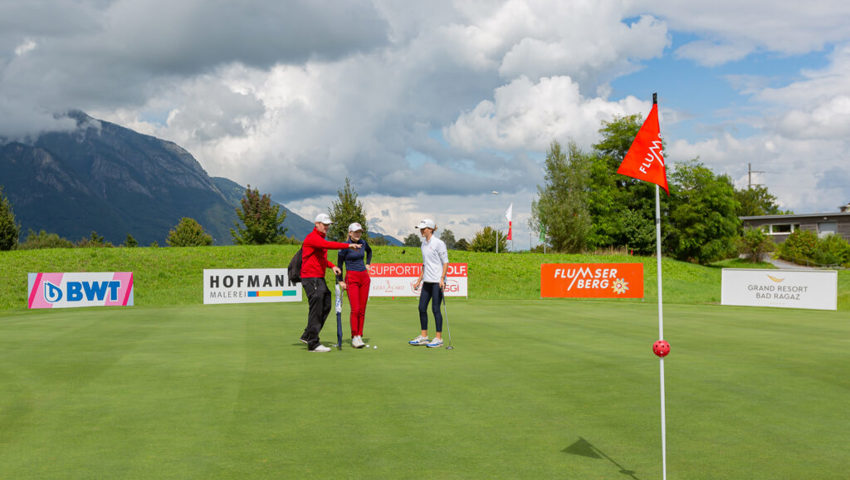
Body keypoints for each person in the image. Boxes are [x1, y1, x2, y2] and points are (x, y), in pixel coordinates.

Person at [299, 213, 362, 352]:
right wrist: (348, 246)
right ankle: (313, 343)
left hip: (317, 277)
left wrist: (332, 265)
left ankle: (308, 335)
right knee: (317, 308)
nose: (327, 227)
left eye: (328, 224)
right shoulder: (313, 238)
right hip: (311, 278)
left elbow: (320, 259)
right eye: (324, 224)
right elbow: (328, 245)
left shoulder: (320, 238)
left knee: (326, 304)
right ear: (317, 224)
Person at [409, 218, 449, 348]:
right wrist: (419, 280)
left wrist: (442, 278)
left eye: (423, 228)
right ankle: (424, 336)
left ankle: (438, 338)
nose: (421, 230)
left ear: (430, 229)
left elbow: (445, 262)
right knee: (421, 308)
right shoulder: (423, 244)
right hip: (427, 281)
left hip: (437, 282)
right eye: (420, 228)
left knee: (435, 309)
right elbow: (425, 264)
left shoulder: (439, 243)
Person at [336, 222, 372, 348]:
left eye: (359, 231)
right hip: (352, 277)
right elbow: (339, 264)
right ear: (350, 233)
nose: (358, 234)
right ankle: (354, 336)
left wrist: (368, 263)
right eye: (355, 232)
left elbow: (369, 252)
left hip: (364, 278)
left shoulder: (363, 243)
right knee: (355, 309)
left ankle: (359, 336)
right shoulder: (345, 246)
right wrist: (340, 280)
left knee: (362, 309)